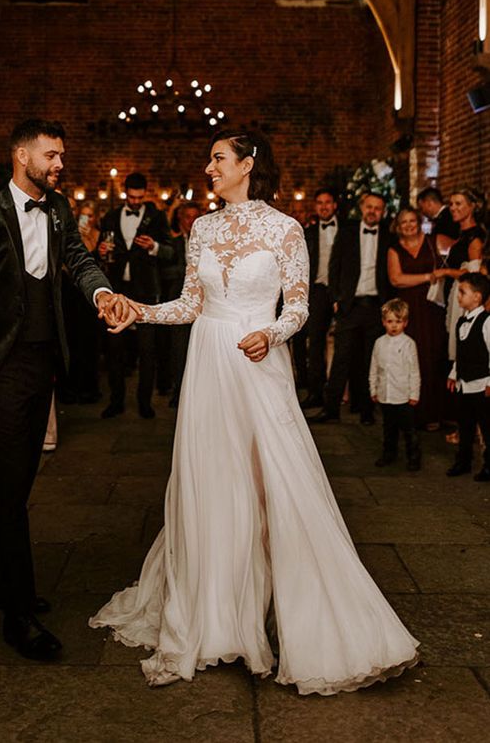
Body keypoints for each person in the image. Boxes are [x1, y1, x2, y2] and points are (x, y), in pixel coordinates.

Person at [90, 129, 418, 695]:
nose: (209, 166)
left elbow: (299, 306)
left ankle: (288, 612)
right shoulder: (201, 228)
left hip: (258, 363)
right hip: (209, 367)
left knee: (276, 483)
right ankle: (215, 616)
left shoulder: (286, 229)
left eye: (218, 158)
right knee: (212, 480)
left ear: (248, 163)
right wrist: (136, 309)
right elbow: (192, 304)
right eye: (211, 158)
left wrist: (271, 332)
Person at [0, 119, 128, 661]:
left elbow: (80, 262)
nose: (60, 163)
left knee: (17, 481)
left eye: (62, 154)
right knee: (11, 485)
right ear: (22, 155)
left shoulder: (58, 209)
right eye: (51, 154)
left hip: (44, 363)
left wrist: (102, 293)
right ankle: (16, 616)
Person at [310, 191, 393, 425]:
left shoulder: (389, 236)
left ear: (383, 212)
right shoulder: (346, 233)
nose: (373, 211)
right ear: (362, 208)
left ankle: (366, 410)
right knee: (341, 359)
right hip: (350, 306)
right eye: (369, 207)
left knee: (369, 360)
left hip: (376, 307)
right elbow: (333, 266)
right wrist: (336, 297)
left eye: (378, 208)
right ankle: (331, 409)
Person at [98, 172, 173, 419]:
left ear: (145, 194)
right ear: (125, 193)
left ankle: (144, 403)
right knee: (115, 349)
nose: (136, 202)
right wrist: (101, 250)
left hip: (146, 293)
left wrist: (153, 246)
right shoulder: (110, 217)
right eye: (131, 197)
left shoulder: (157, 217)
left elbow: (170, 253)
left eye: (140, 198)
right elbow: (100, 251)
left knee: (147, 351)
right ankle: (116, 401)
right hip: (118, 291)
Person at [386, 207, 447, 430]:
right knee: (411, 358)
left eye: (412, 221)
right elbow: (396, 279)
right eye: (404, 222)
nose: (409, 225)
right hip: (408, 309)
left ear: (419, 222)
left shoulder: (433, 241)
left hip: (432, 306)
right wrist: (427, 277)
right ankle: (411, 414)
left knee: (433, 355)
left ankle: (433, 413)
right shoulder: (394, 249)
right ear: (398, 226)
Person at [296, 188, 340, 410]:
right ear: (316, 206)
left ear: (334, 205)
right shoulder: (308, 233)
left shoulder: (347, 231)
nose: (324, 206)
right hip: (317, 291)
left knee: (345, 343)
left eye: (328, 202)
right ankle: (315, 393)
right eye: (320, 203)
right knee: (315, 343)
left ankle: (341, 395)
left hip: (341, 290)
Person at [157, 201, 201, 407]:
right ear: (180, 219)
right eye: (187, 217)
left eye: (195, 216)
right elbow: (164, 273)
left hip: (204, 305)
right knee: (178, 350)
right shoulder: (172, 244)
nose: (191, 221)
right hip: (177, 301)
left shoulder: (207, 242)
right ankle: (179, 391)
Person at [446, 273, 490, 481]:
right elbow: (460, 353)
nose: (458, 296)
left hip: (482, 383)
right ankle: (463, 461)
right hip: (464, 383)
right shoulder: (461, 322)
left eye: (463, 292)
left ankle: (489, 465)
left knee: (487, 426)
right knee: (465, 424)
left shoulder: (487, 321)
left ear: (477, 297)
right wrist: (454, 374)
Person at [369, 299, 421, 471]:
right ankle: (389, 453)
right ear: (384, 322)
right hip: (386, 394)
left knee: (409, 429)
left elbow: (414, 371)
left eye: (398, 322)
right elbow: (374, 367)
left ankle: (413, 456)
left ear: (405, 323)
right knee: (388, 428)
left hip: (403, 396)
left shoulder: (408, 344)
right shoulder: (379, 343)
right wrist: (373, 388)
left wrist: (414, 394)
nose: (393, 326)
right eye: (390, 321)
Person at [60, 200, 104, 404]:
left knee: (90, 343)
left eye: (90, 215)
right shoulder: (71, 238)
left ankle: (89, 388)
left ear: (96, 217)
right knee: (71, 341)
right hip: (70, 295)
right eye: (83, 214)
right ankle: (71, 388)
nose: (87, 218)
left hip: (91, 299)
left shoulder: (101, 237)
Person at [432, 188, 485, 356]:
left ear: (471, 207)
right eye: (451, 204)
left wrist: (446, 272)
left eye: (458, 203)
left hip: (467, 301)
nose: (452, 208)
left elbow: (475, 277)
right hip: (454, 296)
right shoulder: (462, 235)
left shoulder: (475, 237)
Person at [417, 187, 459, 253]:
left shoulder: (448, 218)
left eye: (421, 208)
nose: (422, 213)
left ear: (429, 203)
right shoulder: (444, 217)